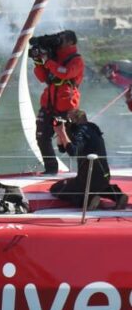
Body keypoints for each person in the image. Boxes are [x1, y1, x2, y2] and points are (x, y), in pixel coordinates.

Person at [51, 110, 128, 210]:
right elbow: (62, 148)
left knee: (56, 188)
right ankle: (118, 196)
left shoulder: (80, 132)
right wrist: (61, 132)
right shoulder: (93, 128)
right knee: (99, 186)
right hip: (104, 177)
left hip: (87, 179)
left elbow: (73, 151)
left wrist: (62, 132)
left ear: (74, 120)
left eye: (68, 119)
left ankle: (88, 200)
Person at [32, 30, 84, 175]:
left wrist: (47, 61)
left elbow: (65, 72)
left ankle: (86, 168)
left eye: (62, 39)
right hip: (49, 105)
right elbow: (43, 78)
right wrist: (38, 61)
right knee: (42, 137)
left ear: (71, 42)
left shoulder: (76, 60)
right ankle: (51, 169)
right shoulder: (53, 58)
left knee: (74, 143)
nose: (58, 41)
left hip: (68, 107)